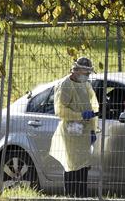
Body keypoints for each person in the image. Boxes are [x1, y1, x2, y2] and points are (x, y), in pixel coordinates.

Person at [49, 57, 99, 197]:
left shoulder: (85, 84)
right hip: (71, 133)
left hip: (84, 132)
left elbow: (93, 106)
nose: (87, 76)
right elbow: (60, 110)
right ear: (76, 70)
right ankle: (70, 197)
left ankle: (82, 197)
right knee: (72, 169)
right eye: (86, 73)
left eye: (89, 73)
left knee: (83, 168)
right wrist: (80, 115)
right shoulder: (66, 85)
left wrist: (93, 129)